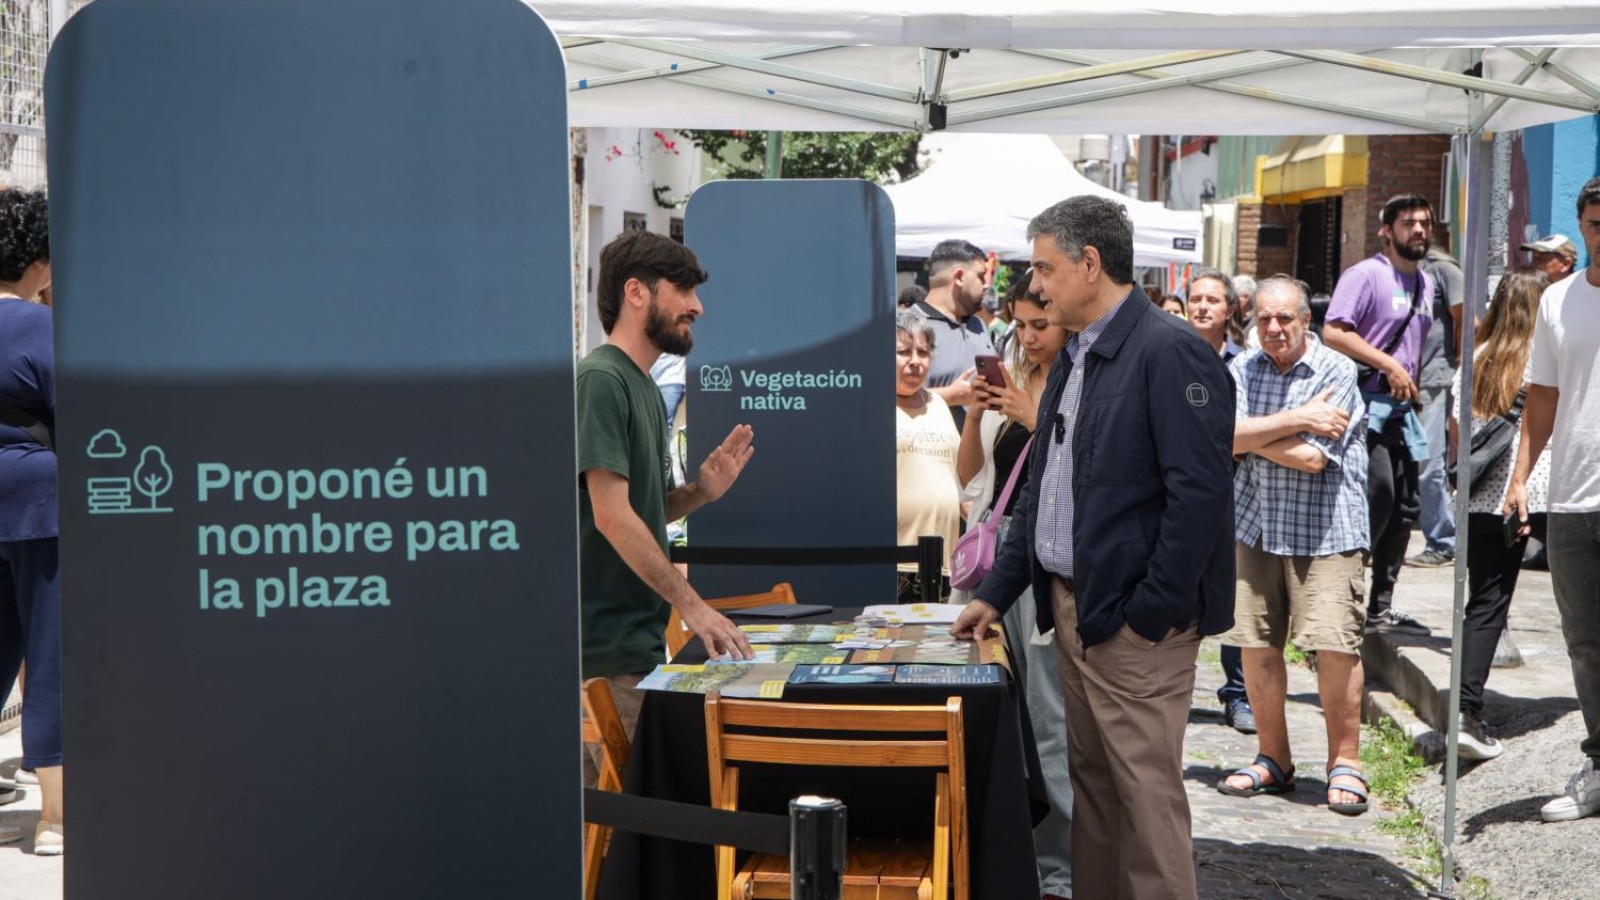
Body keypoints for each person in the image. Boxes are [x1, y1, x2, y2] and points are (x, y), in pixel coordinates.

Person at [951, 196, 1235, 900]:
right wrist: (995, 593)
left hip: (1131, 627)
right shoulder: (1081, 356)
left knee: (1144, 807)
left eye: (1045, 267)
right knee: (1098, 800)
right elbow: (1042, 496)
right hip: (1077, 614)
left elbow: (1199, 501)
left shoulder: (1170, 353)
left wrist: (1146, 615)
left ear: (1090, 263)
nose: (1036, 283)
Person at [577, 231, 756, 789]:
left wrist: (699, 492)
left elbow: (636, 511)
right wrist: (694, 607)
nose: (696, 307)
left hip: (632, 648)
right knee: (619, 837)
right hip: (605, 656)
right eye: (682, 290)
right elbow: (610, 517)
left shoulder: (643, 388)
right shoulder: (601, 381)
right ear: (637, 292)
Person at [1216, 275, 1372, 816]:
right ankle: (1273, 759)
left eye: (1285, 318)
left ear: (1307, 320)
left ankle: (1344, 762)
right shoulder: (1240, 369)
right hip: (1254, 524)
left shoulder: (1337, 369)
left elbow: (1312, 458)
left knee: (1334, 647)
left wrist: (1254, 434)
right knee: (1256, 646)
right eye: (1264, 319)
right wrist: (1299, 419)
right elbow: (1219, 437)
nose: (1274, 329)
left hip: (1326, 531)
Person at [953, 281, 1074, 900]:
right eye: (1020, 325)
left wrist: (1035, 415)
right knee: (999, 710)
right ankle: (1012, 854)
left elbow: (1077, 470)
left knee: (1049, 720)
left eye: (1039, 325)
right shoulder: (1018, 378)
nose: (1027, 337)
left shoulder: (1076, 385)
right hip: (996, 570)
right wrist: (976, 413)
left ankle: (1059, 871)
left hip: (1044, 574)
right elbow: (973, 479)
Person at [1506, 176, 1600, 823]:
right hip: (1571, 494)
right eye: (1595, 222)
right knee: (1585, 643)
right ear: (1582, 226)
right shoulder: (1559, 300)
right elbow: (1542, 396)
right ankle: (1599, 762)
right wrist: (1519, 478)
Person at [1450, 268, 1553, 761]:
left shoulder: (1472, 363)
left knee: (1485, 604)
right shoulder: (1546, 363)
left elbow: (1457, 441)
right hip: (1540, 496)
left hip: (1477, 502)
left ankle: (1465, 713)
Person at [1324, 193, 1437, 636]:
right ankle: (1340, 604)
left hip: (1403, 412)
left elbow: (1416, 346)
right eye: (1409, 223)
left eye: (1425, 222)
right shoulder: (1367, 275)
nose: (1419, 230)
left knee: (1406, 507)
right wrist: (1389, 365)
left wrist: (1411, 380)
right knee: (1377, 498)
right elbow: (1333, 331)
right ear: (1386, 231)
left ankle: (1380, 607)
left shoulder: (1426, 284)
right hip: (1364, 409)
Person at [0, 187, 62, 854]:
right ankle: (55, 816)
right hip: (37, 504)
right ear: (38, 263)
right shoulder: (41, 329)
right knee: (49, 654)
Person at [1186, 268, 1254, 734]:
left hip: (1235, 494)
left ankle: (1237, 693)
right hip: (1180, 495)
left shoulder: (1244, 366)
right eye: (1196, 298)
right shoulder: (1169, 356)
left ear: (1231, 310)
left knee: (1234, 600)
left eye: (1213, 299)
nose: (1203, 306)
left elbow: (1243, 437)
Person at [1406, 246, 1467, 569]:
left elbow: (1467, 320)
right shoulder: (1397, 272)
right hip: (1404, 381)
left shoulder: (1443, 269)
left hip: (1435, 378)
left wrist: (1460, 368)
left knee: (1429, 463)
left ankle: (1444, 541)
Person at [895, 312, 961, 601]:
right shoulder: (871, 407)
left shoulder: (939, 405)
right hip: (896, 559)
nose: (915, 360)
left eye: (922, 352)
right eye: (903, 352)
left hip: (947, 563)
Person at [908, 239, 996, 428]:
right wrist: (949, 396)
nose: (986, 285)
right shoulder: (907, 327)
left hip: (985, 453)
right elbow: (886, 399)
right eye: (981, 277)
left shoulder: (978, 325)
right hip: (930, 452)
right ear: (959, 277)